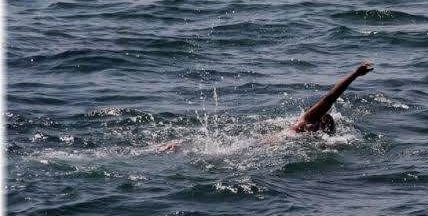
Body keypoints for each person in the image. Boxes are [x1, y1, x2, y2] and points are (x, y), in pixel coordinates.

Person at [158, 61, 374, 152]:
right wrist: (354, 74)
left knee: (223, 152)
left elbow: (328, 100)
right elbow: (329, 98)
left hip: (262, 146)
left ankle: (180, 149)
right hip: (261, 147)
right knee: (222, 155)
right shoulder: (303, 125)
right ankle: (179, 149)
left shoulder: (304, 132)